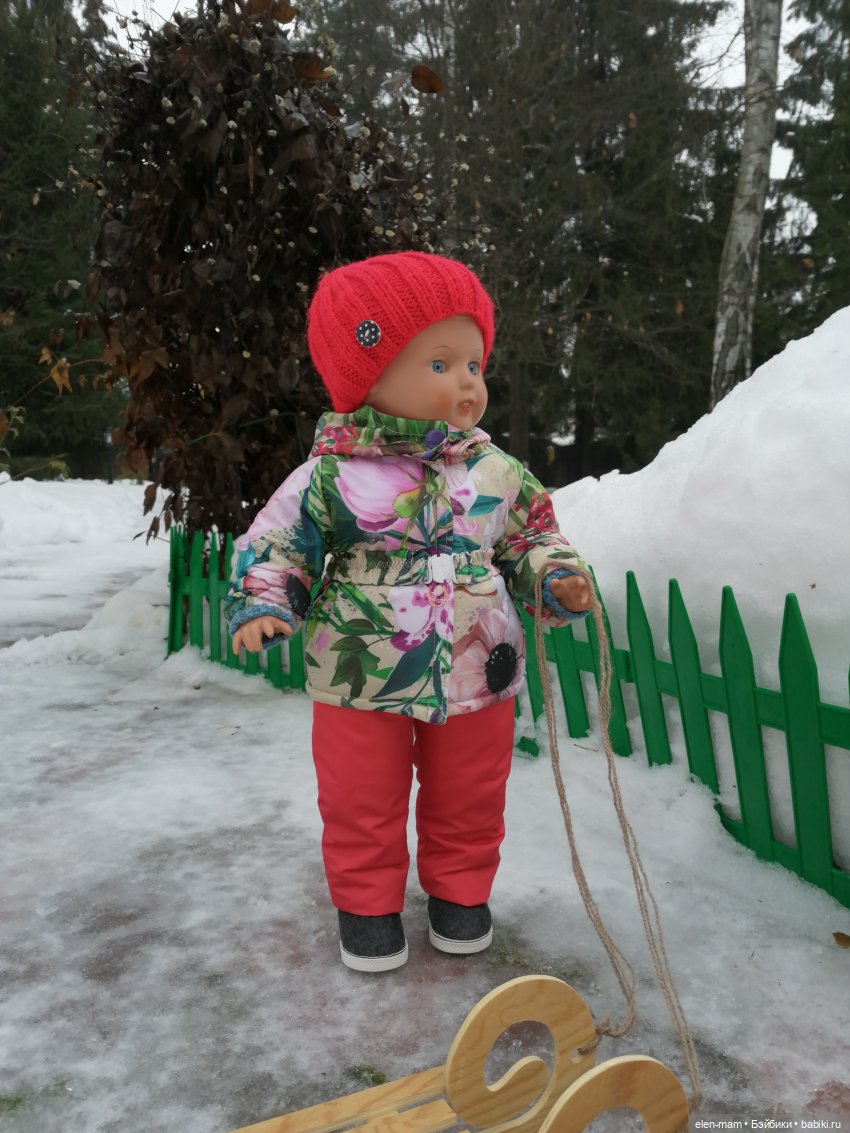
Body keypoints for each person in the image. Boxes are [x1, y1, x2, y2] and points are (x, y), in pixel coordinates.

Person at [225, 251, 592, 973]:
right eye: (440, 363)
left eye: (474, 364)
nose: (466, 381)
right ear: (372, 373)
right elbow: (279, 537)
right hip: (359, 667)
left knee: (471, 794)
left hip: (477, 665)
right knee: (362, 797)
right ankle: (367, 908)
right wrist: (266, 599)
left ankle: (461, 896)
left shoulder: (495, 471)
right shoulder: (331, 474)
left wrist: (555, 575)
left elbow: (532, 532)